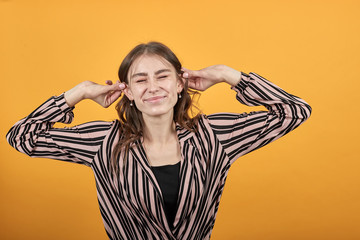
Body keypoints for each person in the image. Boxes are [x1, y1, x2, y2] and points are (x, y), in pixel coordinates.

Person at [6, 41, 312, 240]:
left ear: (180, 83)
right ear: (128, 91)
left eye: (162, 76)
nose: (152, 87)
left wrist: (226, 74)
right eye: (140, 79)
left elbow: (294, 111)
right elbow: (21, 137)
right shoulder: (104, 142)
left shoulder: (214, 136)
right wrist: (80, 92)